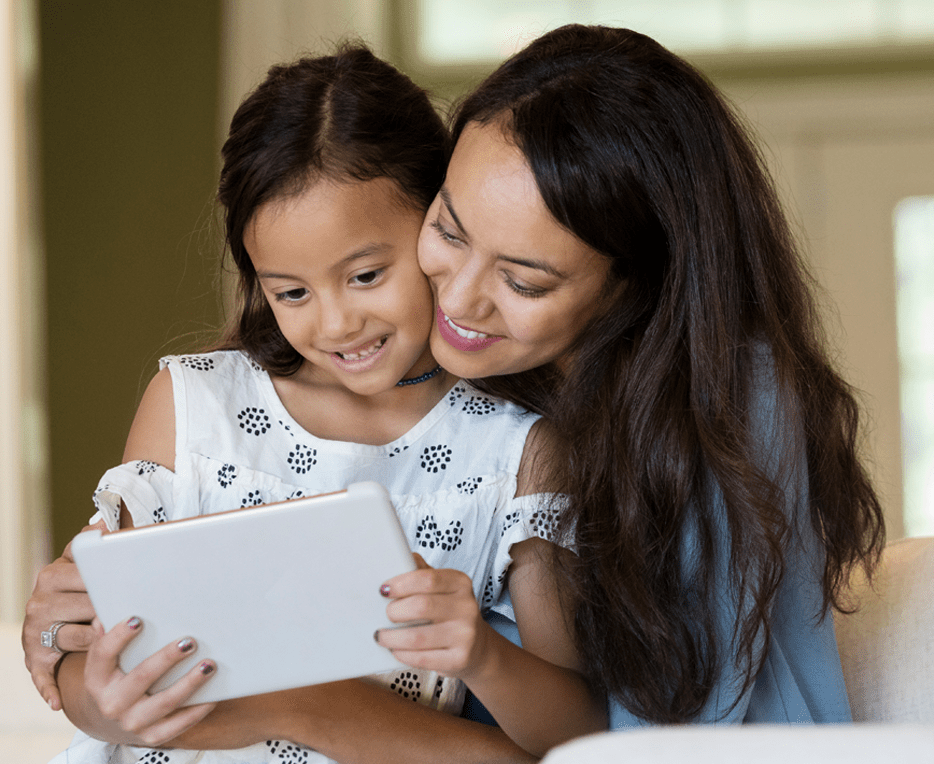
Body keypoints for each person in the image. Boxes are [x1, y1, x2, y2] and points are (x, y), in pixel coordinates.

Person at [26, 22, 885, 756]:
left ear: (634, 287)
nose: (459, 301)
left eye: (525, 279)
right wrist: (64, 645)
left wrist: (305, 701)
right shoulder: (221, 400)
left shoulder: (697, 408)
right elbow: (96, 651)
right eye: (449, 229)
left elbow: (626, 739)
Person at [46, 43, 604, 764]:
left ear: (440, 227)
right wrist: (107, 700)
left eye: (366, 274)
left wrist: (482, 656)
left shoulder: (515, 451)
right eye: (292, 292)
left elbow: (576, 736)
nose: (336, 324)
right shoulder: (192, 407)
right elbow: (83, 665)